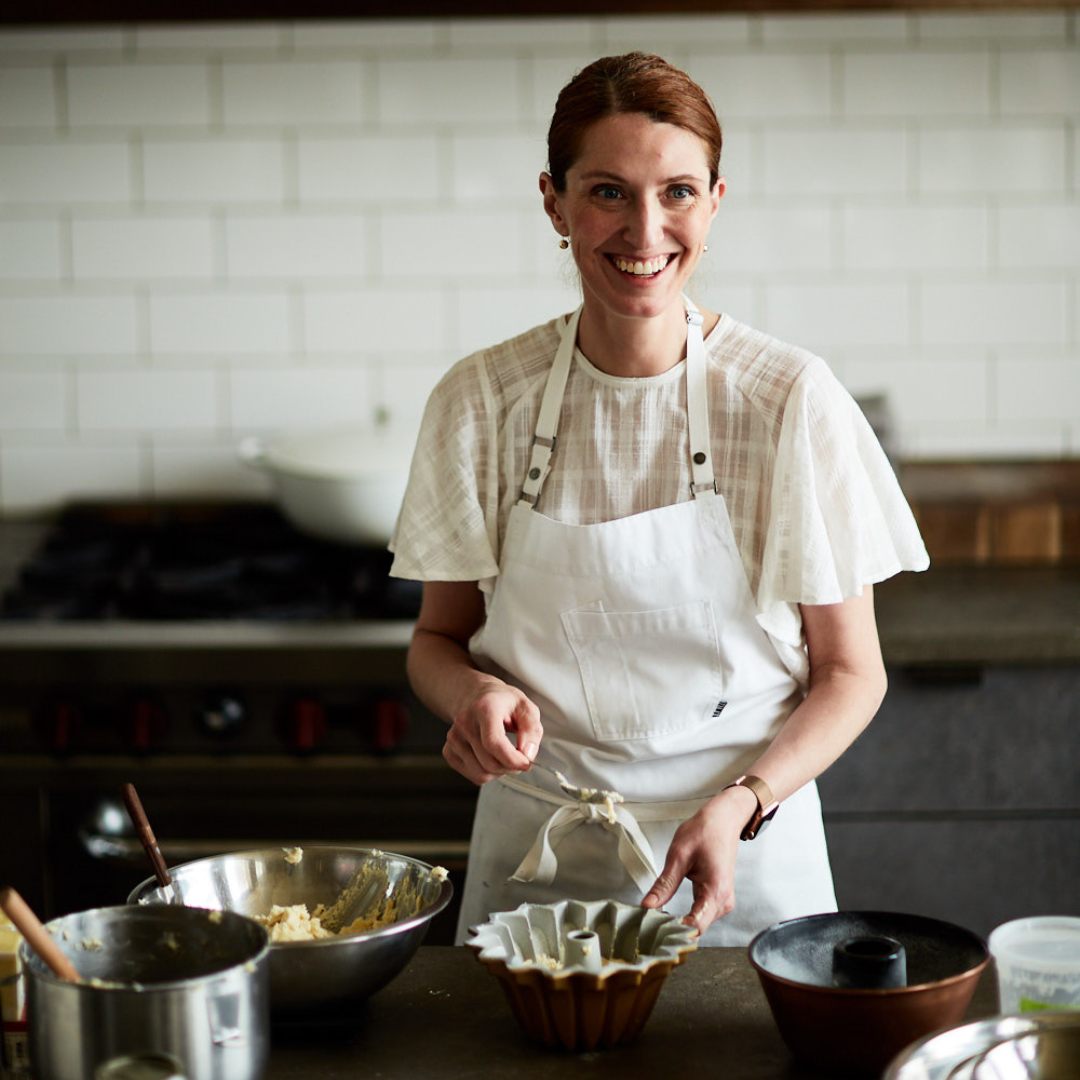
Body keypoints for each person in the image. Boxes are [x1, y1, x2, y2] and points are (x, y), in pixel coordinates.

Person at [389, 52, 928, 946]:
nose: (645, 230)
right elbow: (435, 642)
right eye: (607, 192)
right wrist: (469, 698)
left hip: (746, 862)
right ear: (553, 204)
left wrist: (744, 802)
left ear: (715, 202)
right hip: (540, 874)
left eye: (677, 192)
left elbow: (850, 673)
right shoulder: (481, 401)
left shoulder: (788, 400)